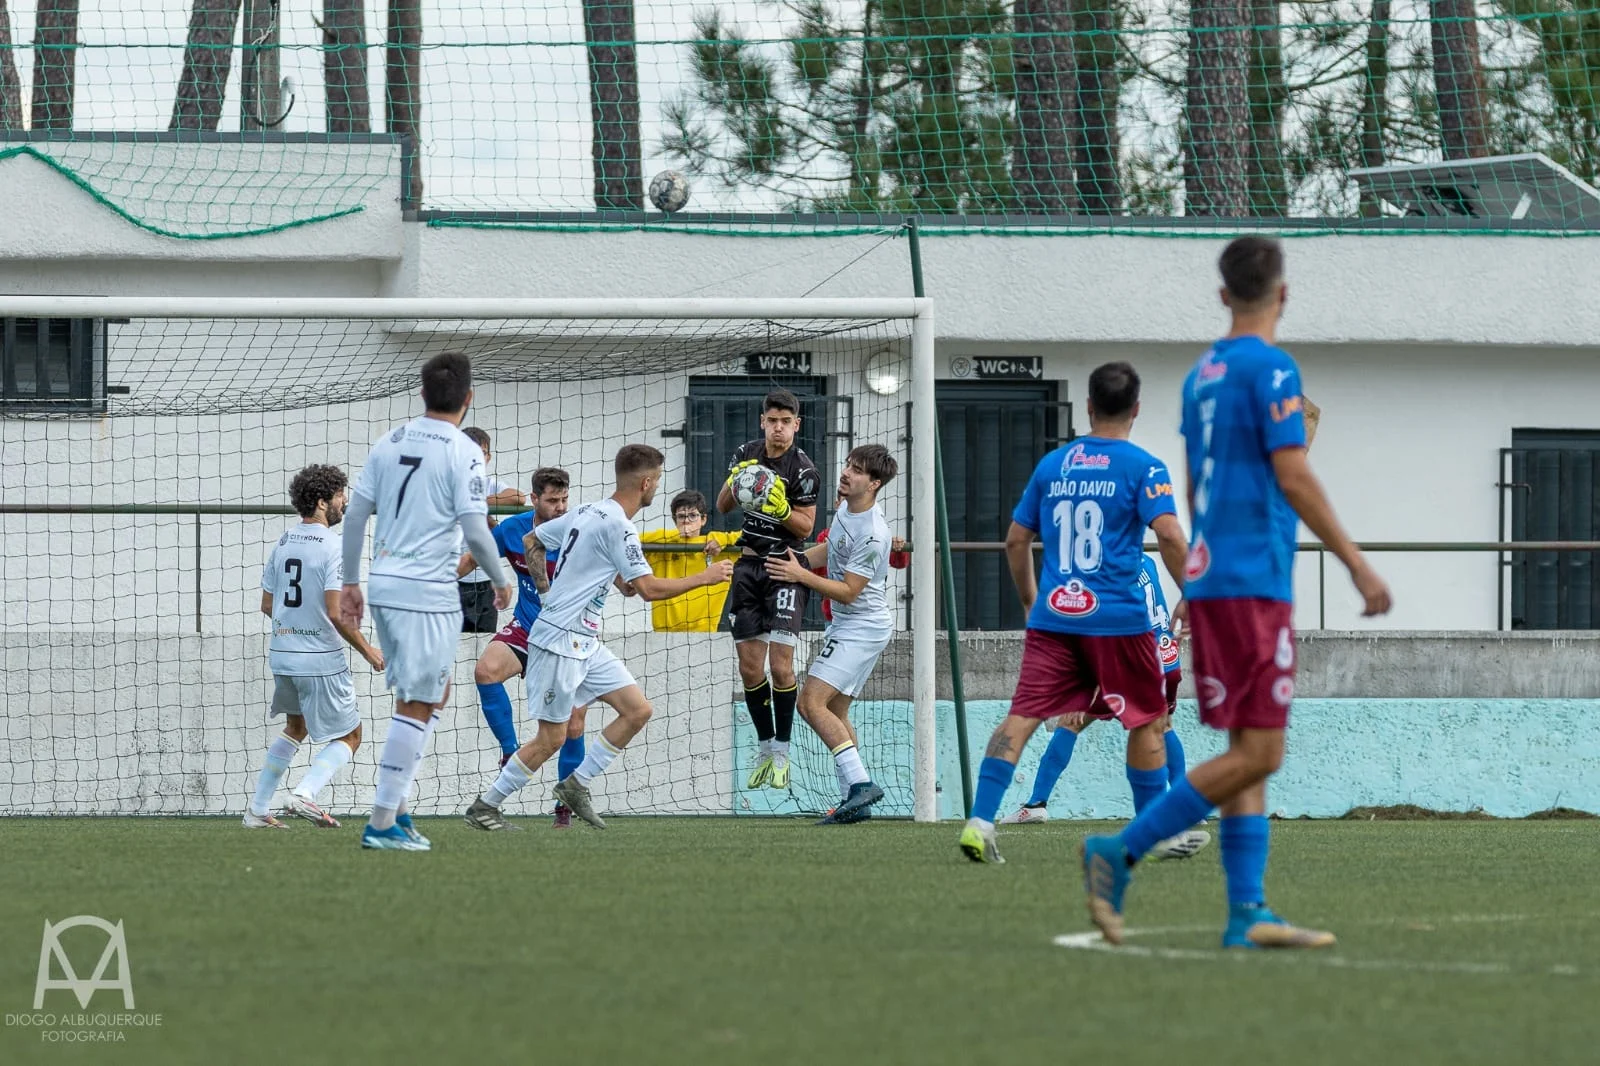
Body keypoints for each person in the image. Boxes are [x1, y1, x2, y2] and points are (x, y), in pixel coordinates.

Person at [1081, 236, 1391, 949]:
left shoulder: (1202, 377)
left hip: (1216, 575)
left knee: (1247, 740)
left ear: (1223, 296)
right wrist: (1355, 563)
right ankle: (1118, 852)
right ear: (1283, 294)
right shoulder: (1273, 368)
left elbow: (1200, 482)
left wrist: (1195, 571)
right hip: (1252, 581)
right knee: (1263, 753)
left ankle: (1247, 911)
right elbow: (1294, 472)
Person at [958, 361, 1190, 866]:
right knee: (1149, 721)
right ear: (1136, 409)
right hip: (1119, 620)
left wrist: (1029, 599)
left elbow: (1017, 539)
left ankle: (980, 821)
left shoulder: (1053, 465)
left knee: (1021, 716)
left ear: (1087, 406)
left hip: (1056, 616)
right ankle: (1153, 830)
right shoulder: (1144, 466)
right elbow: (1170, 535)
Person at [463, 445, 735, 831]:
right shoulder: (619, 526)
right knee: (551, 738)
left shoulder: (589, 510)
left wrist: (560, 590)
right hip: (558, 641)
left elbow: (533, 542)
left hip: (584, 641)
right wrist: (705, 577)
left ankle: (576, 784)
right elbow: (649, 589)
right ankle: (486, 806)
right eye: (657, 480)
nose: (656, 487)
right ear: (646, 483)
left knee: (637, 709)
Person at [341, 351, 513, 852]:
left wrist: (351, 581)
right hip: (428, 590)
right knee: (422, 699)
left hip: (386, 584)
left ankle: (397, 808)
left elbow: (354, 516)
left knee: (423, 696)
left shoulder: (389, 441)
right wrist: (501, 580)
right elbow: (476, 530)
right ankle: (380, 822)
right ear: (468, 398)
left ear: (421, 393)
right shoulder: (464, 452)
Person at [998, 556, 1206, 858]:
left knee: (1071, 721)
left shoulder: (1107, 570)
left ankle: (1036, 804)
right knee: (1161, 726)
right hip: (1165, 657)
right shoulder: (1146, 562)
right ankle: (1186, 805)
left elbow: (1109, 629)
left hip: (1133, 660)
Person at [764, 445, 900, 825]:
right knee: (836, 711)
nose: (846, 473)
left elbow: (850, 590)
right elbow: (831, 551)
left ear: (874, 484)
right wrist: (800, 560)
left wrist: (799, 576)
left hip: (862, 626)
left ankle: (860, 784)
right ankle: (853, 802)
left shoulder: (874, 534)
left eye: (857, 471)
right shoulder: (845, 508)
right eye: (848, 465)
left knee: (810, 703)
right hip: (849, 624)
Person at [246, 464, 384, 829]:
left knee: (297, 726)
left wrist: (294, 629)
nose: (345, 502)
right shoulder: (334, 547)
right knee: (352, 735)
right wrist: (369, 650)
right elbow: (337, 613)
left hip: (282, 656)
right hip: (319, 659)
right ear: (322, 502)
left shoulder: (284, 541)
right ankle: (305, 793)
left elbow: (266, 604)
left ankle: (257, 811)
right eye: (341, 495)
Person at [458, 466, 591, 827]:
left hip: (569, 637)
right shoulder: (514, 529)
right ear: (534, 500)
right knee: (485, 671)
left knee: (573, 725)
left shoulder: (580, 530)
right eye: (552, 501)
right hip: (528, 629)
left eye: (565, 499)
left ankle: (565, 805)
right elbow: (474, 557)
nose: (561, 507)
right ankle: (509, 751)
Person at [716, 390, 821, 791]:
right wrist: (738, 479)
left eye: (786, 421)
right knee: (748, 667)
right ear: (763, 421)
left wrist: (779, 510)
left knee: (781, 667)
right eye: (771, 420)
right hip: (747, 566)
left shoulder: (804, 469)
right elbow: (724, 505)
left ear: (797, 424)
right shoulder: (746, 452)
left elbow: (806, 528)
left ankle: (783, 752)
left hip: (783, 568)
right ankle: (764, 748)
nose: (778, 427)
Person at [638, 489, 741, 632]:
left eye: (693, 515)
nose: (686, 521)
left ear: (703, 519)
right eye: (681, 517)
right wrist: (676, 536)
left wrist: (725, 539)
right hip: (664, 632)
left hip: (704, 633)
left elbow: (755, 538)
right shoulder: (663, 546)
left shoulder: (717, 546)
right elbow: (631, 539)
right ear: (675, 520)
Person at [457, 427, 527, 634]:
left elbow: (518, 497)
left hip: (484, 582)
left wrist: (476, 503)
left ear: (488, 458)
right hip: (450, 579)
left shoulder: (490, 485)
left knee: (483, 640)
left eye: (481, 454)